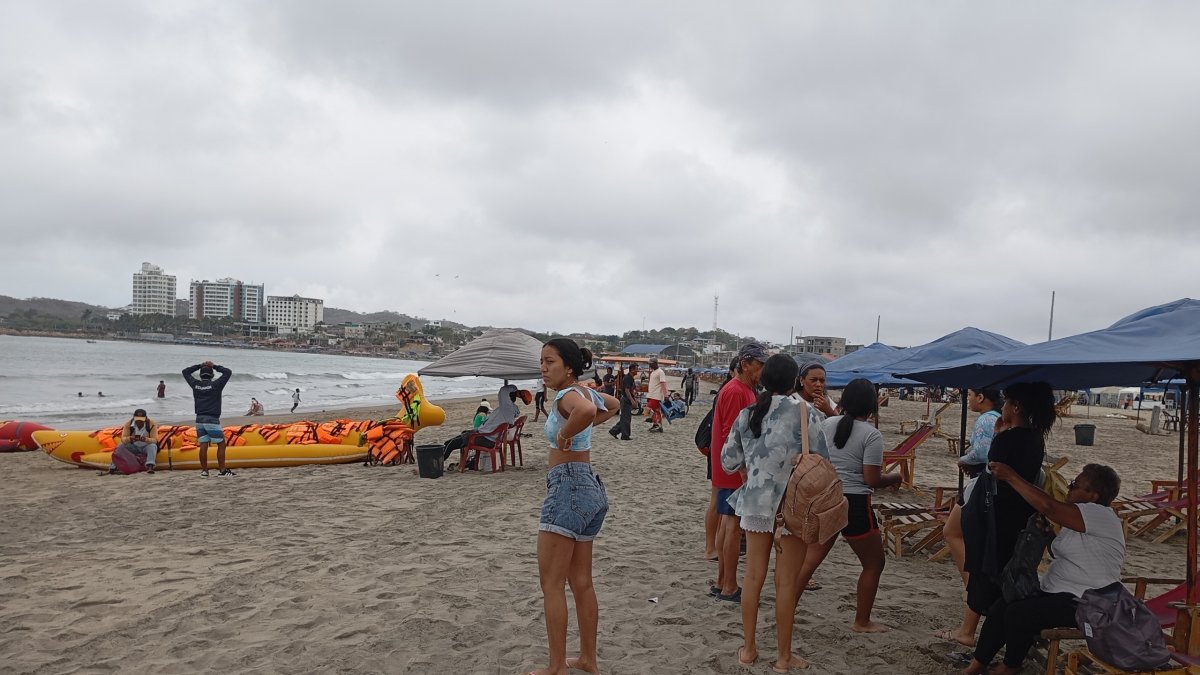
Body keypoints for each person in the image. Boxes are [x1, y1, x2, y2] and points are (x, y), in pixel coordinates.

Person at [721, 354, 831, 671]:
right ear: (795, 380)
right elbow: (823, 461)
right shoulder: (806, 413)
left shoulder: (748, 414)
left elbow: (728, 460)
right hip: (793, 506)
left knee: (752, 578)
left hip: (755, 505)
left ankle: (749, 649)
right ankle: (783, 657)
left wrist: (750, 469)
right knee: (785, 583)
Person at [960, 463, 1124, 675]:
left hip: (1090, 601)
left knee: (1020, 613)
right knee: (1004, 602)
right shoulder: (1078, 518)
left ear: (1093, 496)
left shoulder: (1099, 515)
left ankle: (1012, 666)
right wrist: (1046, 534)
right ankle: (977, 664)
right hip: (1061, 592)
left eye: (1075, 485)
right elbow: (1069, 552)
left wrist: (1011, 477)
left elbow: (1048, 506)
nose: (1069, 487)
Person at [529, 338, 619, 675]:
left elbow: (583, 412)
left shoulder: (569, 396)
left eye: (549, 361)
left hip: (567, 485)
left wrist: (566, 436)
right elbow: (612, 406)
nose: (543, 368)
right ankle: (587, 659)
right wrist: (583, 423)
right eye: (541, 362)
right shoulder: (583, 392)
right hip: (588, 486)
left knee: (551, 584)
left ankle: (556, 667)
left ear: (568, 367)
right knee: (581, 582)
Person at [799, 378, 901, 633]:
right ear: (872, 406)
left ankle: (786, 608)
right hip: (854, 503)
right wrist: (895, 477)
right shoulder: (871, 435)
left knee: (809, 562)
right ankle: (862, 621)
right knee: (874, 563)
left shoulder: (826, 424)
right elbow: (871, 479)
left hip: (825, 497)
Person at [963, 382, 1056, 624]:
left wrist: (999, 436)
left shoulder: (1008, 439)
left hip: (999, 512)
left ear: (1015, 407)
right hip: (1022, 509)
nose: (1002, 406)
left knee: (990, 573)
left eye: (1006, 402)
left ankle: (978, 629)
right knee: (1008, 570)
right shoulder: (1036, 438)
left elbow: (993, 468)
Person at [936, 388, 1004, 647]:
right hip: (990, 489)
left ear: (981, 398)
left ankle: (973, 587)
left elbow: (982, 453)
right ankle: (974, 588)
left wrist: (963, 458)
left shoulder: (987, 419)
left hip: (981, 487)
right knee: (956, 533)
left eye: (971, 395)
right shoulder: (998, 418)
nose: (969, 399)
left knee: (952, 532)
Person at [711, 342, 770, 603]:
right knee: (732, 526)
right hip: (734, 468)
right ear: (746, 364)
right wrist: (743, 468)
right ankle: (728, 585)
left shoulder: (740, 389)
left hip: (728, 466)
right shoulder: (737, 391)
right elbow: (734, 435)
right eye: (759, 365)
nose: (762, 370)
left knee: (727, 524)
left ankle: (723, 580)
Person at [703, 357, 740, 560]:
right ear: (735, 370)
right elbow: (729, 430)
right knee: (717, 499)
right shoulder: (731, 390)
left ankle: (713, 545)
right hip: (721, 451)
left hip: (717, 449)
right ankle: (711, 547)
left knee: (717, 499)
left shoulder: (726, 389)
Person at [442, 384, 523, 462]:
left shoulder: (506, 408)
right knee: (462, 435)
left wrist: (515, 389)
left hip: (486, 438)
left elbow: (503, 390)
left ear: (507, 398)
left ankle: (439, 462)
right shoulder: (512, 410)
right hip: (488, 436)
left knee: (451, 443)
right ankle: (463, 462)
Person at [182, 361, 233, 477]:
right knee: (221, 444)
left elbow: (185, 372)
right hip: (212, 418)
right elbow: (227, 372)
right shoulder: (216, 385)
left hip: (199, 419)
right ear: (213, 375)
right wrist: (214, 366)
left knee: (203, 444)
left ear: (200, 375)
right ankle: (222, 470)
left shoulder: (195, 384)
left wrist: (199, 365)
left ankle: (205, 471)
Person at [105, 408, 160, 475]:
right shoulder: (128, 424)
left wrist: (145, 439)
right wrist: (130, 438)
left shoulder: (152, 424)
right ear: (134, 418)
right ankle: (112, 468)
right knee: (120, 445)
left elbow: (155, 440)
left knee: (153, 446)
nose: (139, 422)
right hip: (134, 446)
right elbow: (123, 439)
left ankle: (150, 466)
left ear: (146, 418)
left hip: (146, 446)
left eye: (141, 420)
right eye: (137, 420)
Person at [608, 363, 638, 441]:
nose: (637, 371)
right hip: (625, 399)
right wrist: (632, 400)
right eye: (636, 369)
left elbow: (630, 389)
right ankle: (625, 435)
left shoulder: (630, 378)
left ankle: (614, 431)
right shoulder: (628, 378)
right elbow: (627, 390)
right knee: (626, 418)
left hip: (626, 399)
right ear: (632, 369)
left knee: (625, 418)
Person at [646, 357, 669, 433]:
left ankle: (657, 424)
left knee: (648, 410)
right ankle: (656, 424)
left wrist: (666, 395)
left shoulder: (660, 372)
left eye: (651, 364)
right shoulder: (653, 372)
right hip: (651, 394)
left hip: (656, 395)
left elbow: (663, 384)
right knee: (655, 411)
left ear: (655, 363)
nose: (650, 365)